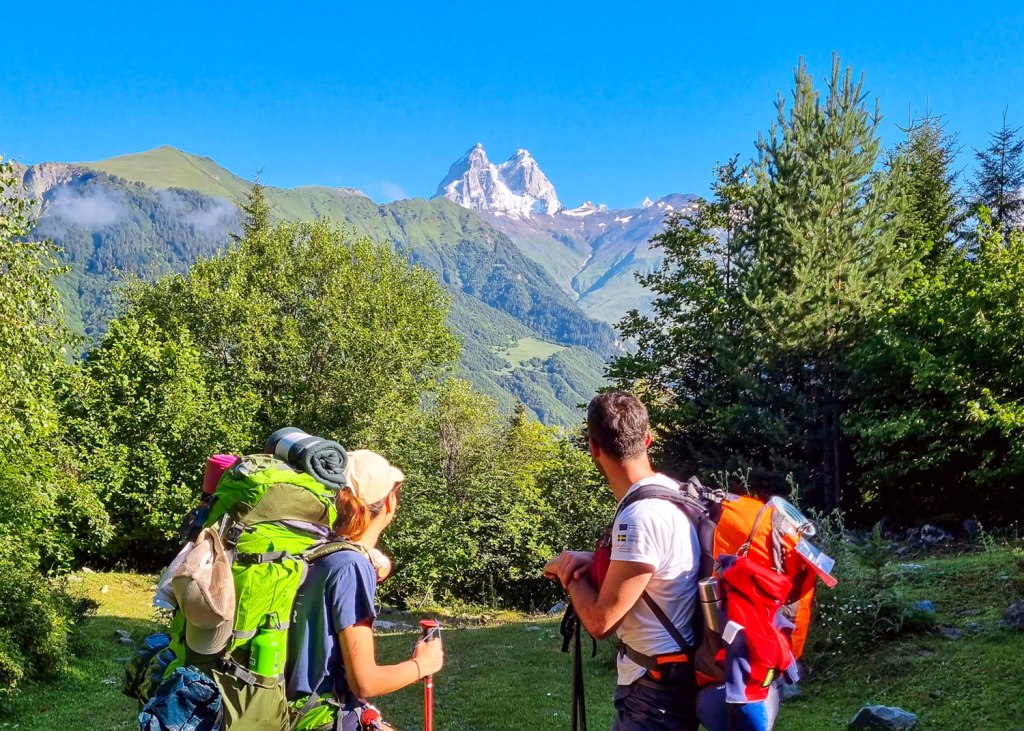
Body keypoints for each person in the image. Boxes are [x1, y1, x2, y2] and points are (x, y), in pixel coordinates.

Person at [544, 391, 700, 731]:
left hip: (654, 693)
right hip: (669, 681)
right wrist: (590, 559)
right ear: (647, 439)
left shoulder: (639, 517)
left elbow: (601, 622)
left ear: (593, 449)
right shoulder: (671, 493)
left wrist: (568, 575)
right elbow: (657, 567)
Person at [287, 449, 444, 730]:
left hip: (291, 712)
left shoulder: (313, 548)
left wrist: (373, 560)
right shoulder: (350, 566)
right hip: (322, 717)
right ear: (389, 504)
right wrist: (424, 664)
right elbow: (365, 681)